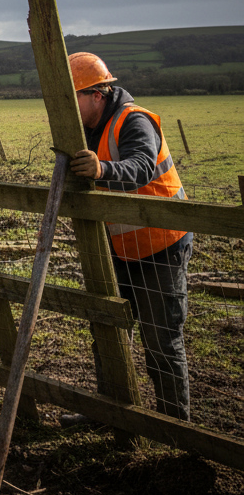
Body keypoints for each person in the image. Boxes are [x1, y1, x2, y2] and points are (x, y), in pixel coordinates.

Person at [68, 51, 192, 421]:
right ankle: (109, 414)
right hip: (119, 248)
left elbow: (140, 167)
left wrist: (102, 169)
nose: (67, 108)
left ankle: (174, 427)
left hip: (161, 245)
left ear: (96, 95)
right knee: (108, 332)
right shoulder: (84, 128)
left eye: (72, 97)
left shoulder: (134, 120)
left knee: (161, 341)